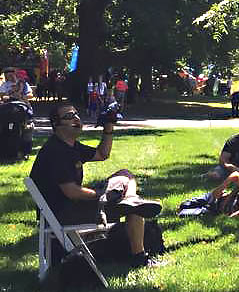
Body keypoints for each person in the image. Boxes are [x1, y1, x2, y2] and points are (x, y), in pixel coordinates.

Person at [29, 102, 163, 268]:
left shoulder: (70, 145)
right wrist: (100, 195)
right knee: (132, 202)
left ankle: (130, 200)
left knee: (125, 176)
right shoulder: (56, 152)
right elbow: (72, 192)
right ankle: (139, 257)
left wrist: (108, 128)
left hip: (71, 208)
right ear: (57, 125)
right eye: (69, 116)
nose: (76, 118)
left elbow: (102, 154)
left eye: (76, 114)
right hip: (65, 214)